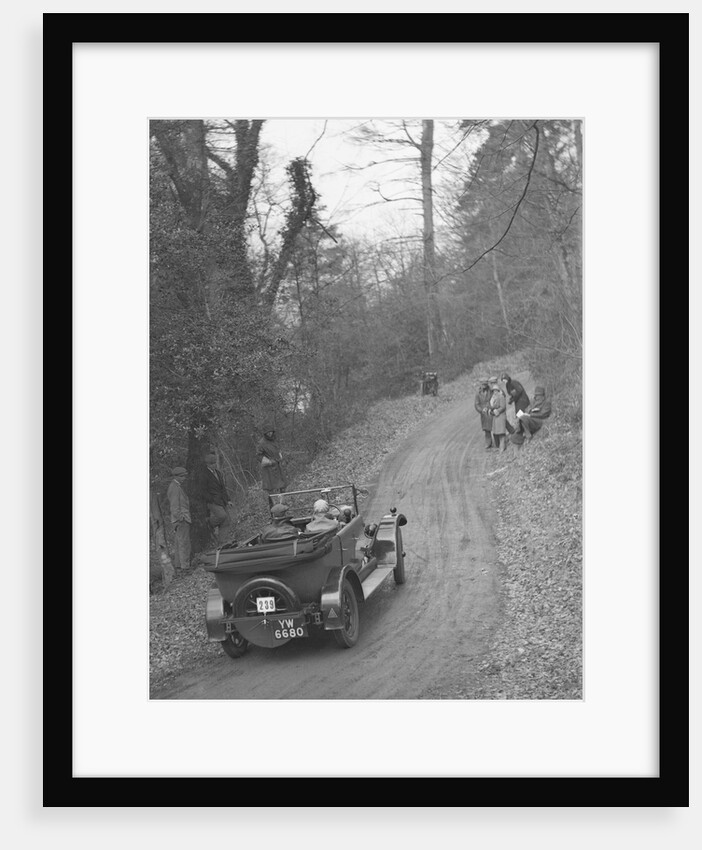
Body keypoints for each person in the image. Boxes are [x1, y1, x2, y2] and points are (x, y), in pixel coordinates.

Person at [202, 451, 234, 545]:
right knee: (222, 516)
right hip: (212, 502)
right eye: (212, 463)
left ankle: (222, 542)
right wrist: (212, 499)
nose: (214, 465)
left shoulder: (219, 473)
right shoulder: (204, 475)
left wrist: (228, 500)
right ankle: (209, 523)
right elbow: (203, 491)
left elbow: (223, 488)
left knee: (227, 520)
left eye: (215, 462)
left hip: (222, 500)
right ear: (207, 464)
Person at [166, 466, 191, 570]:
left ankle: (179, 566)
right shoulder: (175, 488)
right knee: (184, 544)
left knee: (179, 543)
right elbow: (174, 507)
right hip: (181, 520)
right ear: (177, 477)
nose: (184, 478)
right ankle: (185, 567)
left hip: (178, 519)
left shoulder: (175, 486)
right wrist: (181, 518)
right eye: (183, 476)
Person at [256, 426, 287, 498]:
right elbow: (258, 455)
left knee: (282, 485)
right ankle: (273, 504)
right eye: (268, 432)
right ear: (265, 433)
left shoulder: (274, 440)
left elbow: (277, 449)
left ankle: (282, 502)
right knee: (271, 487)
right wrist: (268, 461)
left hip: (277, 465)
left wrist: (280, 455)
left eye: (271, 432)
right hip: (269, 468)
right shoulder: (261, 443)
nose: (270, 434)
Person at [488, 376, 508, 452]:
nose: (494, 392)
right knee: (497, 432)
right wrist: (491, 410)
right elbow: (492, 406)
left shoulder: (501, 396)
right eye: (493, 391)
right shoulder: (493, 397)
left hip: (500, 416)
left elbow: (503, 406)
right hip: (496, 417)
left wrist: (498, 411)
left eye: (496, 390)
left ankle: (502, 448)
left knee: (501, 433)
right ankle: (500, 446)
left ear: (498, 390)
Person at [474, 379, 494, 449]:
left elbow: (494, 399)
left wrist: (491, 407)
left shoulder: (491, 390)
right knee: (486, 429)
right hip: (484, 414)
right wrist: (481, 410)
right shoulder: (478, 393)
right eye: (482, 384)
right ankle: (488, 443)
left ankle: (498, 442)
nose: (484, 386)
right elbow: (476, 404)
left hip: (491, 410)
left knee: (495, 426)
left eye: (485, 384)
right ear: (480, 385)